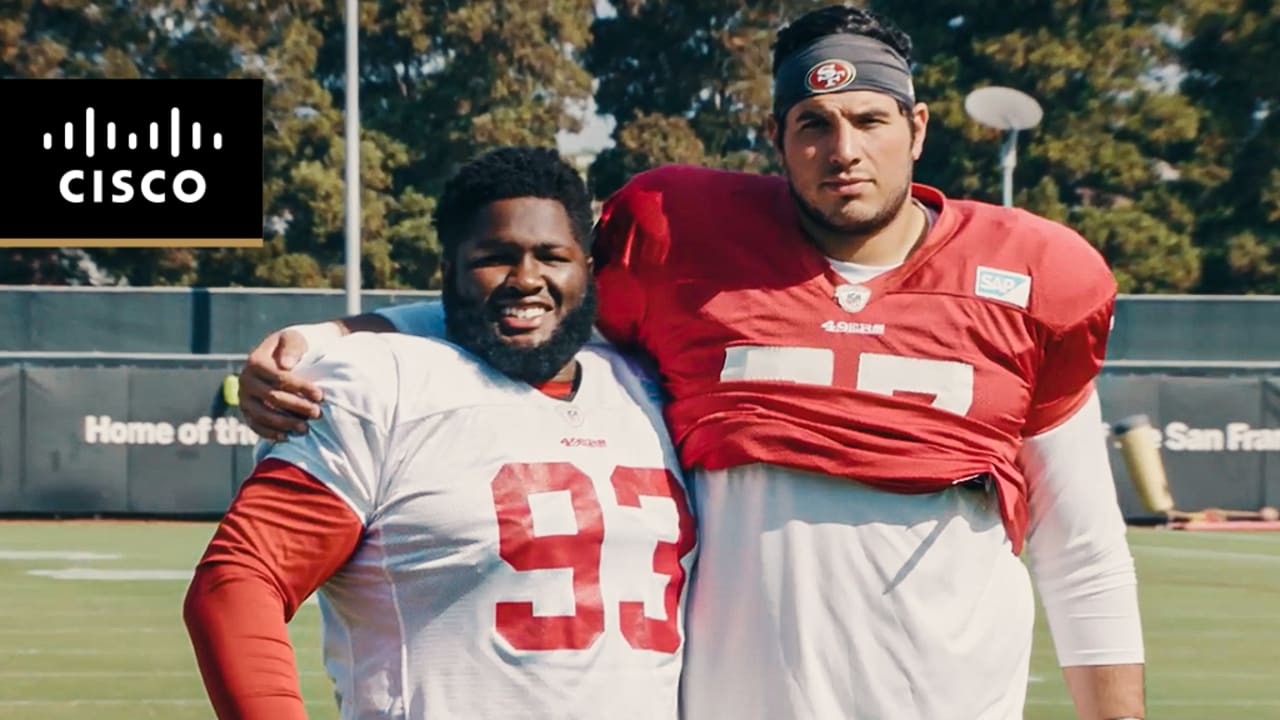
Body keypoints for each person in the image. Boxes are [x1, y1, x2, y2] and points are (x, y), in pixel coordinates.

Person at [239, 6, 1145, 720]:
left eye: (869, 120)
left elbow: (1083, 550)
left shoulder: (1034, 277)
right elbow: (532, 297)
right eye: (813, 124)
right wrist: (338, 334)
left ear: (916, 127)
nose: (844, 150)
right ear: (776, 135)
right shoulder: (679, 238)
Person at [184, 147, 697, 720]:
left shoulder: (647, 385)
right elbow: (237, 585)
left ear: (588, 269)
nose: (527, 278)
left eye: (552, 256)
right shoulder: (380, 382)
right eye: (495, 257)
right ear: (447, 272)